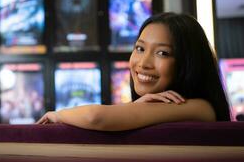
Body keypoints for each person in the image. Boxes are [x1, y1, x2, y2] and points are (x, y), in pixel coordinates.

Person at [37, 12, 231, 131]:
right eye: (139, 48)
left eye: (162, 53)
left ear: (188, 62)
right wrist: (136, 105)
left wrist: (57, 115)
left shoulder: (200, 107)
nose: (144, 63)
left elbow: (95, 117)